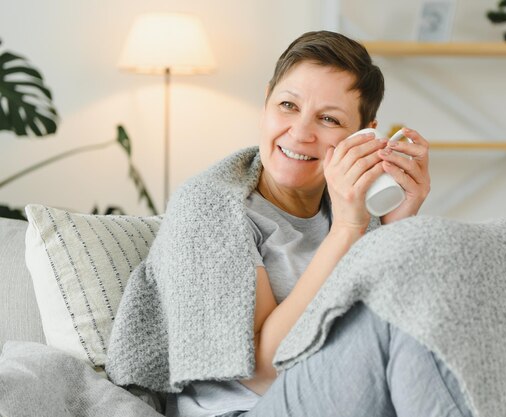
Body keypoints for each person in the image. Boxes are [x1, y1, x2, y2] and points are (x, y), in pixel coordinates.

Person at [162, 30, 472, 417]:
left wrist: (397, 228)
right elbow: (262, 370)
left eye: (328, 118)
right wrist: (347, 229)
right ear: (266, 102)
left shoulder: (354, 211)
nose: (301, 132)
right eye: (288, 105)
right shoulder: (210, 207)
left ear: (364, 135)